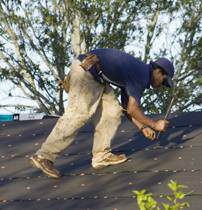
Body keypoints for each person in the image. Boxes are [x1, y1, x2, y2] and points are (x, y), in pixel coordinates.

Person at [30, 48, 175, 179]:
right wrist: (155, 124)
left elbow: (126, 107)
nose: (161, 85)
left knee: (112, 111)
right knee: (78, 114)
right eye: (163, 81)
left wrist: (142, 127)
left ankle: (101, 155)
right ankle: (44, 156)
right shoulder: (141, 75)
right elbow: (133, 109)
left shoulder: (137, 72)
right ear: (158, 71)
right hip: (85, 73)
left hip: (96, 76)